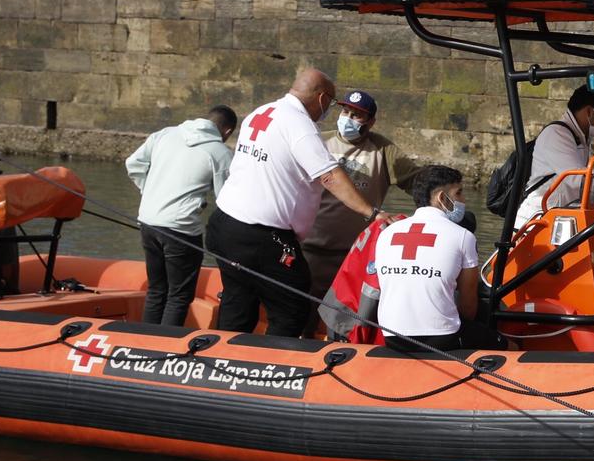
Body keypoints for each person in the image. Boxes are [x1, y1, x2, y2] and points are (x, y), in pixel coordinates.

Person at [207, 67, 380, 337]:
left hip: (224, 224)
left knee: (238, 301)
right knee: (293, 307)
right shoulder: (300, 126)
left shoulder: (261, 113)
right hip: (263, 235)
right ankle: (276, 370)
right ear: (322, 98)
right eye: (332, 103)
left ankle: (223, 361)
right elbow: (330, 176)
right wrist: (372, 213)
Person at [124, 105, 237, 326]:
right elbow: (227, 199)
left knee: (156, 290)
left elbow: (133, 163)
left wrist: (150, 192)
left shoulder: (165, 133)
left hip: (148, 221)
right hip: (181, 229)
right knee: (179, 296)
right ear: (228, 132)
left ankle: (143, 343)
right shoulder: (220, 152)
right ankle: (162, 350)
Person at [302, 89, 418, 297]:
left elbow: (418, 181)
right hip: (311, 246)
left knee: (346, 308)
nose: (348, 119)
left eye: (356, 115)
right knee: (303, 308)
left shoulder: (382, 149)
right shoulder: (319, 141)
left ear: (370, 122)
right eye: (345, 112)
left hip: (355, 252)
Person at [371, 165, 482, 352]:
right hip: (442, 338)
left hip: (391, 336)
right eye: (459, 193)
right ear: (441, 198)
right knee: (506, 344)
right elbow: (468, 305)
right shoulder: (463, 236)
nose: (463, 200)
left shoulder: (387, 233)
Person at [514, 84, 594, 228]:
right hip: (536, 221)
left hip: (559, 217)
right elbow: (576, 179)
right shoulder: (556, 134)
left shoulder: (582, 135)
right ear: (589, 111)